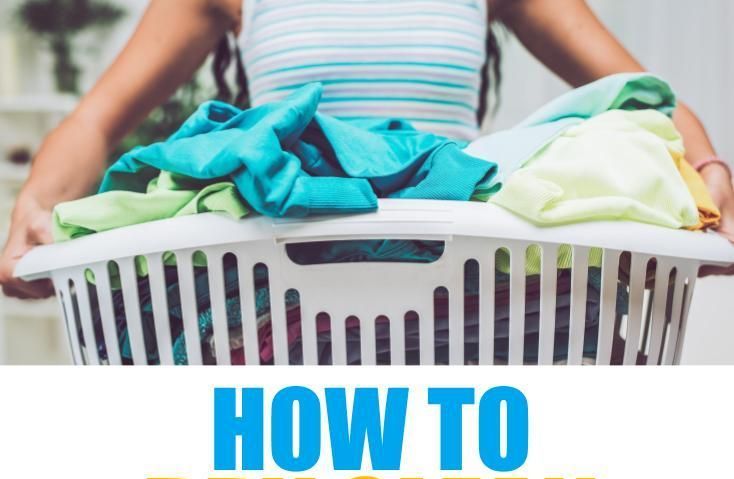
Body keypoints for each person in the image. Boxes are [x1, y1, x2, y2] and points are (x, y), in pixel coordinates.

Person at [2, 0, 733, 298]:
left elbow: (648, 98)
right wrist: (36, 205)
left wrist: (707, 180)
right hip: (278, 299)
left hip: (462, 293)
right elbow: (94, 121)